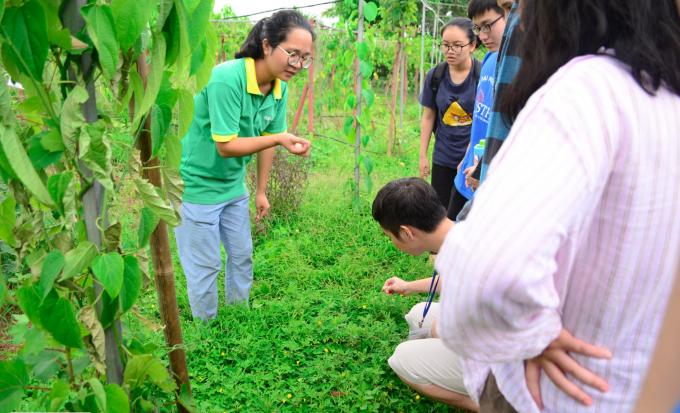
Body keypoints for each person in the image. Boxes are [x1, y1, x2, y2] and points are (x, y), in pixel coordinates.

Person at [433, 1, 680, 412]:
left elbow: (486, 272)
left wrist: (533, 332)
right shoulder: (668, 102)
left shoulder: (589, 92)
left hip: (554, 394)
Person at [373, 178, 609, 412]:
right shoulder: (473, 231)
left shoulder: (469, 262)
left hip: (518, 360)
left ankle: (490, 405)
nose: (391, 241)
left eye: (389, 236)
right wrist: (410, 286)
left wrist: (443, 329)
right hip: (539, 336)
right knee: (418, 314)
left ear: (406, 233)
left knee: (403, 358)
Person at [175, 10, 314, 321]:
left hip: (233, 186)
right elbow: (226, 146)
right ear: (267, 46)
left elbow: (267, 140)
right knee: (205, 264)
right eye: (292, 54)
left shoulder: (279, 87)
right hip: (196, 187)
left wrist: (261, 190)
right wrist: (278, 138)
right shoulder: (227, 79)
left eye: (305, 58)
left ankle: (239, 318)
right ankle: (206, 328)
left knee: (241, 256)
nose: (298, 65)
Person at [449, 0, 506, 219]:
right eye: (478, 28)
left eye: (487, 25)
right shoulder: (490, 59)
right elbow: (482, 121)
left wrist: (482, 171)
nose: (482, 35)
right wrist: (467, 155)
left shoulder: (517, 69)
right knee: (446, 241)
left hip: (487, 178)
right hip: (466, 174)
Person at [418, 18, 480, 217]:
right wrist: (423, 156)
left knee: (469, 213)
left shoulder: (482, 76)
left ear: (472, 45)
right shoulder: (435, 76)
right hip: (443, 157)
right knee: (441, 213)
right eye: (446, 45)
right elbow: (428, 116)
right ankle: (441, 249)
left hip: (472, 161)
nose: (450, 50)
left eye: (457, 45)